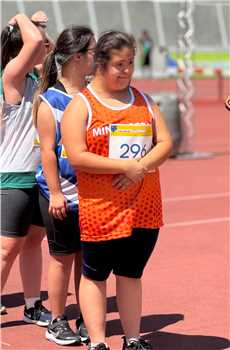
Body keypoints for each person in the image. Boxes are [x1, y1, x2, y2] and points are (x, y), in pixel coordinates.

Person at [61, 30, 172, 350]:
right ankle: (97, 341)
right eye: (118, 64)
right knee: (95, 275)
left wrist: (141, 166)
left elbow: (164, 142)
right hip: (102, 209)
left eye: (130, 64)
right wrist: (125, 167)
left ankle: (133, 338)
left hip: (143, 208)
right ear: (100, 64)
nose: (125, 70)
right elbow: (77, 155)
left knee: (130, 273)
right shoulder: (82, 105)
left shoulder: (145, 101)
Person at [33, 25, 96, 345]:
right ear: (77, 57)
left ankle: (87, 316)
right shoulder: (50, 101)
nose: (97, 57)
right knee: (62, 257)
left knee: (89, 258)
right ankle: (56, 320)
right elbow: (47, 153)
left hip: (93, 195)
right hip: (61, 195)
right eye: (93, 52)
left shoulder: (92, 96)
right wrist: (56, 193)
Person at [0, 12, 51, 325]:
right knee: (7, 248)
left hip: (39, 176)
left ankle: (33, 304)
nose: (44, 47)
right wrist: (22, 17)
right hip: (12, 176)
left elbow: (47, 46)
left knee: (34, 242)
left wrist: (40, 27)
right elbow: (33, 41)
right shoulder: (11, 76)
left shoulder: (37, 78)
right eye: (38, 45)